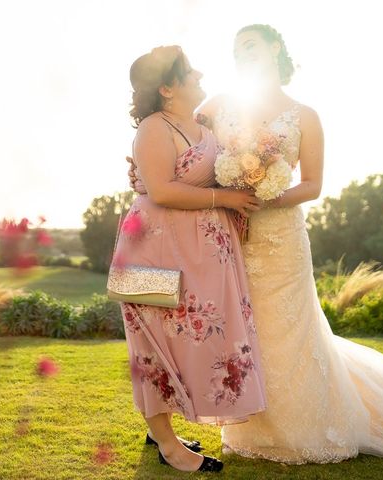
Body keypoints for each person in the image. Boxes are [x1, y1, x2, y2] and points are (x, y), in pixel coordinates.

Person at [197, 23, 383, 464]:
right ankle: (254, 427)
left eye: (249, 44)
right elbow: (190, 155)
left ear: (275, 49)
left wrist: (265, 198)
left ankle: (305, 426)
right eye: (235, 49)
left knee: (290, 327)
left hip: (282, 235)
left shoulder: (305, 115)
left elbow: (313, 184)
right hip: (235, 235)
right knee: (247, 331)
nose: (242, 53)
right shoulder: (218, 107)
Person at [115, 45, 266, 473]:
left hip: (194, 252)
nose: (200, 73)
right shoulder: (152, 127)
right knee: (152, 345)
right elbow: (160, 191)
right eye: (188, 72)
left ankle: (161, 429)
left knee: (186, 342)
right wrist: (226, 198)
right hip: (150, 250)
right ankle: (167, 444)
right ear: (166, 88)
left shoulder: (202, 124)